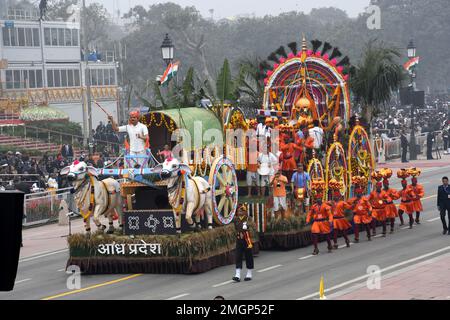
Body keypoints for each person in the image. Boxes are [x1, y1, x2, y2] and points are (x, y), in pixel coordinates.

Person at [306, 189, 333, 255]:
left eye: (319, 198)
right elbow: (310, 214)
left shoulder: (326, 206)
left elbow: (330, 214)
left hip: (324, 222)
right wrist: (307, 220)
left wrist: (330, 220)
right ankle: (316, 249)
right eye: (317, 198)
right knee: (314, 233)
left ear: (321, 199)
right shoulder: (314, 206)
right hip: (316, 222)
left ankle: (329, 245)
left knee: (327, 235)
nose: (318, 200)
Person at [232, 205, 254, 282]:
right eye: (238, 211)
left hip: (247, 240)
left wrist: (246, 232)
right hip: (239, 239)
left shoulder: (248, 219)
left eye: (241, 211)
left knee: (249, 256)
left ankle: (249, 272)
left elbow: (251, 227)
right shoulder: (235, 219)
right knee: (238, 256)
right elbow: (234, 228)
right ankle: (237, 274)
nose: (239, 212)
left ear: (245, 212)